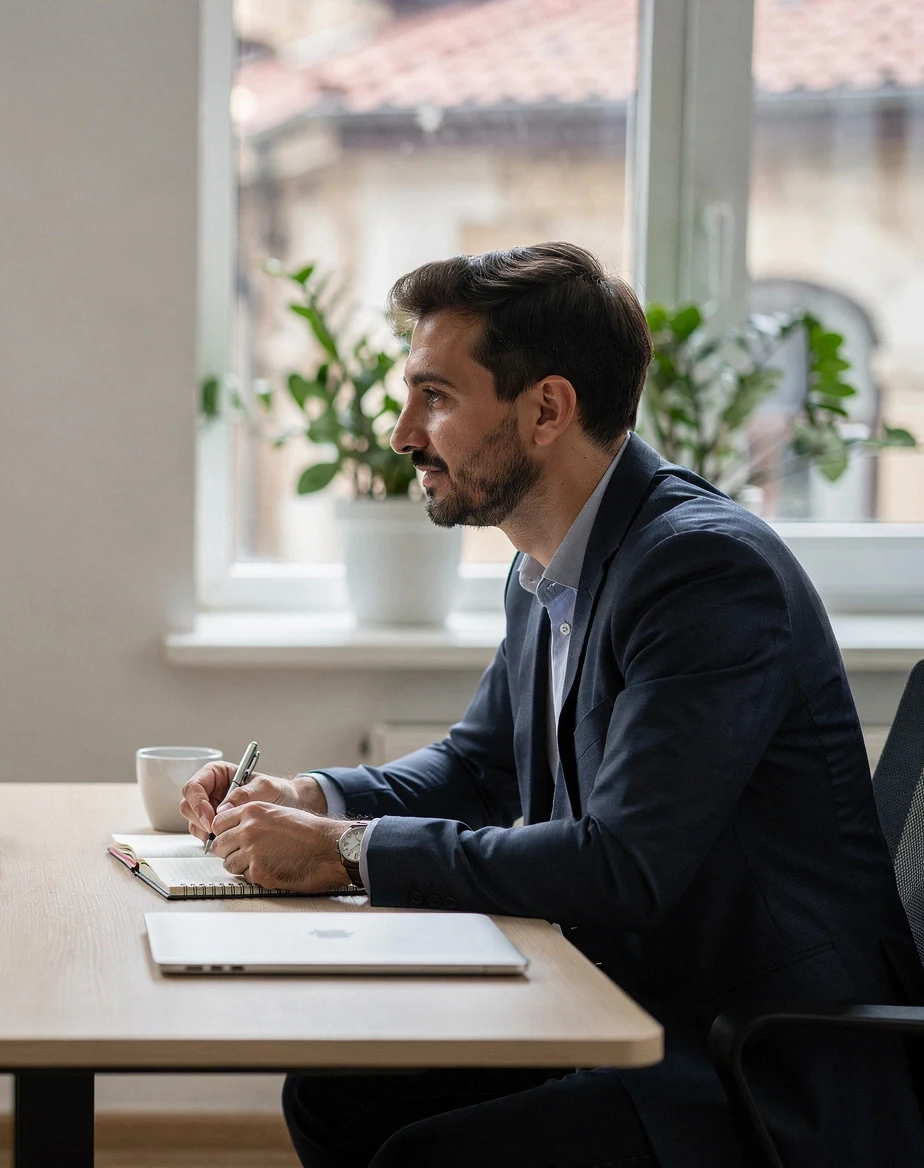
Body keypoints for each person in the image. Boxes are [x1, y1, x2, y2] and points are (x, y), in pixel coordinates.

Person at [179, 242, 924, 1168]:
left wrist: (349, 852)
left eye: (436, 397)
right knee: (338, 1096)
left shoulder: (704, 574)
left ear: (546, 409)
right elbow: (480, 767)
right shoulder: (550, 567)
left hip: (761, 1062)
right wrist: (316, 798)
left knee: (433, 1157)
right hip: (629, 1002)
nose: (405, 433)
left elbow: (623, 866)